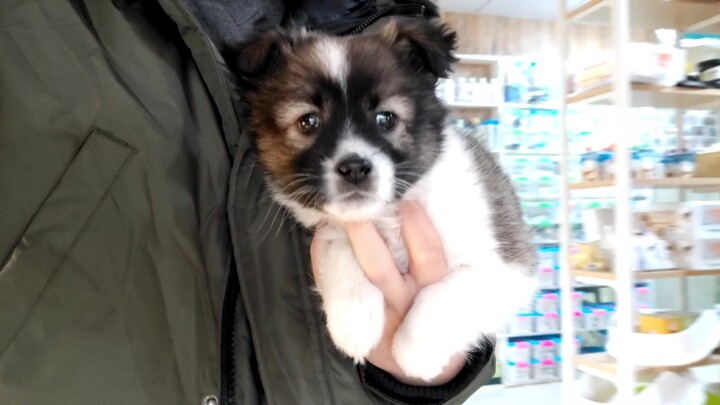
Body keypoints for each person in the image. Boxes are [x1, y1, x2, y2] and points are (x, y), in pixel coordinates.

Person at [0, 1, 495, 403]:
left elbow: (491, 289)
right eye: (308, 123)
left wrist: (437, 374)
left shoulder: (391, 26)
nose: (354, 154)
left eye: (384, 121)